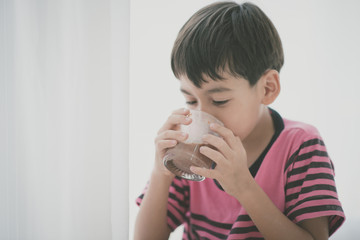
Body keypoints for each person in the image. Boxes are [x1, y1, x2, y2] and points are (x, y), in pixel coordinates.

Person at [134, 1, 345, 239]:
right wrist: (160, 174)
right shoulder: (193, 152)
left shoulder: (301, 146)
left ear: (267, 88)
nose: (203, 115)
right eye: (191, 101)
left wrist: (244, 187)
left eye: (220, 100)